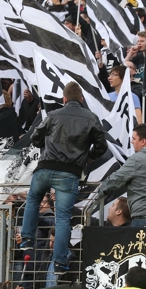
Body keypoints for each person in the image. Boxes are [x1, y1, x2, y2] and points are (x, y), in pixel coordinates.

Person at [19, 82, 107, 276]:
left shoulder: (52, 115)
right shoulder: (91, 118)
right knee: (62, 219)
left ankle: (26, 240)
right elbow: (102, 147)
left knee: (33, 200)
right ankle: (59, 262)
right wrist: (88, 157)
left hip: (45, 168)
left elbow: (35, 139)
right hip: (69, 173)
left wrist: (48, 143)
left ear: (64, 99)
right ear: (82, 99)